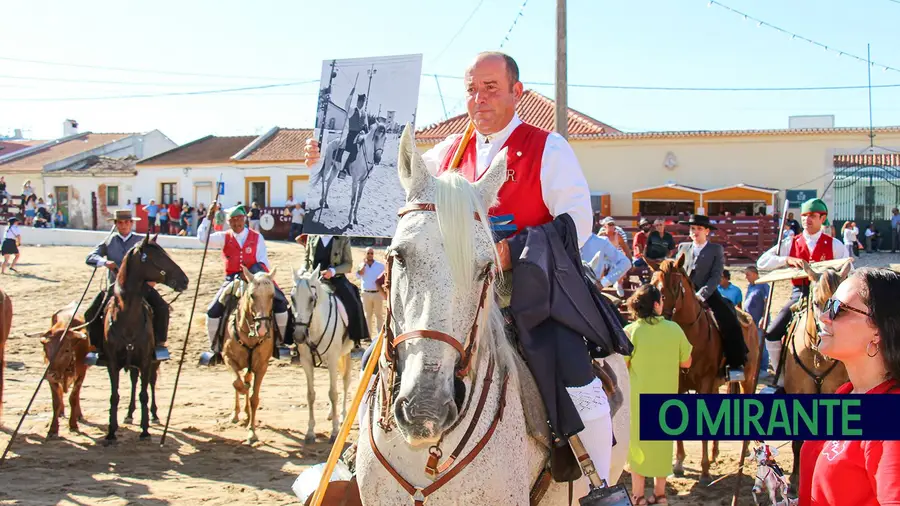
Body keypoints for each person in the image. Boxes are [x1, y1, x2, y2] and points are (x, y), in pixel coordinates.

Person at [305, 51, 612, 481]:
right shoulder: (448, 152)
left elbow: (577, 222)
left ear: (515, 92)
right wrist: (329, 161)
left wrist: (514, 250)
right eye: (471, 90)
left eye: (490, 88)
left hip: (530, 294)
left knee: (586, 392)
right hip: (456, 296)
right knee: (382, 359)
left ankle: (601, 486)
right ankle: (362, 456)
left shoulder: (549, 148)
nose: (479, 99)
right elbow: (386, 184)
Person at [798, 268, 900, 506]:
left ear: (877, 329)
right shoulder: (844, 396)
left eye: (838, 309)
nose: (824, 316)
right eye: (826, 306)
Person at [757, 198, 847, 385]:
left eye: (812, 216)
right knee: (772, 333)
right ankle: (781, 378)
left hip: (829, 296)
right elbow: (762, 262)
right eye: (804, 216)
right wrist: (786, 259)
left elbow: (848, 271)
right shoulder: (791, 242)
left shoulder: (835, 245)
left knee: (852, 328)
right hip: (800, 293)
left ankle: (852, 375)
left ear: (822, 218)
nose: (807, 220)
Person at [623, 284, 693, 505]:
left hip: (639, 399)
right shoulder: (674, 329)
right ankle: (660, 494)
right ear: (656, 305)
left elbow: (623, 365)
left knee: (639, 447)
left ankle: (638, 496)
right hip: (666, 399)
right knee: (663, 444)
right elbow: (687, 362)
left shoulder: (631, 331)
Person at [198, 203, 290, 363]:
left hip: (257, 278)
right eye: (232, 220)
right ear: (228, 222)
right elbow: (202, 239)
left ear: (244, 219)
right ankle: (215, 348)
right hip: (232, 279)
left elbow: (262, 261)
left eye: (239, 219)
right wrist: (208, 217)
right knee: (213, 311)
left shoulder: (256, 237)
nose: (236, 223)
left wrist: (252, 275)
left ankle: (280, 342)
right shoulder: (223, 237)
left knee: (281, 303)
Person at [83, 210, 170, 364]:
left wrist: (153, 280)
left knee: (162, 307)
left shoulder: (142, 241)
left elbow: (157, 262)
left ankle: (159, 345)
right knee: (91, 312)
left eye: (126, 222)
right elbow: (90, 257)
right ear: (116, 224)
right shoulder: (109, 241)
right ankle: (97, 348)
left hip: (140, 287)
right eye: (120, 223)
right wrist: (104, 262)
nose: (123, 225)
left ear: (131, 223)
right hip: (115, 288)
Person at [675, 214, 748, 381]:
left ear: (707, 231)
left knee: (729, 319)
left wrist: (701, 295)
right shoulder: (683, 247)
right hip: (684, 294)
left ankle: (735, 364)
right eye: (693, 229)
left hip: (707, 293)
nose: (695, 232)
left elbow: (716, 276)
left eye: (699, 229)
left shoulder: (715, 249)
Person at [299, 234, 369, 347]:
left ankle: (355, 340)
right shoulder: (312, 237)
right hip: (313, 279)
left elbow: (348, 264)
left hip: (335, 279)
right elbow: (307, 260)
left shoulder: (343, 238)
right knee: (296, 301)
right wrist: (302, 270)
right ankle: (292, 341)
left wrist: (333, 271)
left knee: (353, 302)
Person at [581, 224, 631, 291]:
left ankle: (618, 284)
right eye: (609, 225)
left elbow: (625, 261)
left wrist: (603, 283)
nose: (611, 227)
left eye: (612, 225)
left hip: (590, 289)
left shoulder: (604, 240)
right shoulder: (601, 238)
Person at [742, 265, 770, 378]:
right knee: (752, 344)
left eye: (747, 274)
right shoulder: (750, 286)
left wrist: (764, 317)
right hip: (750, 320)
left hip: (759, 320)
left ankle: (763, 368)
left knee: (760, 344)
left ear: (754, 274)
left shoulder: (763, 285)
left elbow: (767, 302)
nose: (746, 277)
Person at [356, 247, 385, 339]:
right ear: (365, 254)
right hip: (366, 293)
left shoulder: (380, 266)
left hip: (377, 293)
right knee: (367, 315)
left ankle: (379, 335)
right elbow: (358, 275)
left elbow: (385, 276)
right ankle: (368, 336)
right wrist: (363, 266)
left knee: (379, 315)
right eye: (368, 253)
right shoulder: (361, 265)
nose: (370, 255)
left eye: (371, 253)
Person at [337, 94, 368, 180]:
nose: (361, 104)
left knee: (366, 150)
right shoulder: (351, 110)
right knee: (347, 151)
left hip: (361, 135)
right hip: (352, 134)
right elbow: (346, 104)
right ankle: (342, 169)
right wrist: (350, 95)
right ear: (357, 101)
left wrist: (365, 130)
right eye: (360, 102)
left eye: (363, 102)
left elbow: (366, 125)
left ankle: (365, 169)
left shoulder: (364, 113)